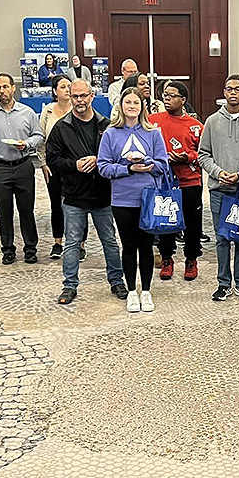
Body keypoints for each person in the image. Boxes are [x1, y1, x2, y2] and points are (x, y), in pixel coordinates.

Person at [47, 79, 126, 305]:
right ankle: (69, 286)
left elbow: (118, 157)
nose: (79, 101)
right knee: (72, 243)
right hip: (74, 196)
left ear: (92, 96)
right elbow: (52, 160)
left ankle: (117, 281)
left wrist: (98, 160)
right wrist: (75, 165)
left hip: (102, 195)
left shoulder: (106, 125)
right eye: (75, 96)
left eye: (83, 96)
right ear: (69, 97)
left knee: (110, 241)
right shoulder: (61, 128)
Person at [98, 88, 168, 314]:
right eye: (127, 102)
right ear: (121, 105)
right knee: (128, 246)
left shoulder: (153, 133)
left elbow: (163, 164)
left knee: (146, 245)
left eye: (136, 102)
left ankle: (146, 290)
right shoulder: (110, 134)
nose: (132, 106)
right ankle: (130, 291)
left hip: (148, 197)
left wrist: (147, 164)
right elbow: (103, 167)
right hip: (122, 198)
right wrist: (128, 168)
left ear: (142, 106)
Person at [198, 74, 239, 302]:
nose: (233, 93)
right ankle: (223, 284)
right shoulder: (212, 122)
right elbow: (203, 155)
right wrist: (218, 173)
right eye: (229, 89)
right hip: (219, 190)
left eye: (238, 89)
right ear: (224, 92)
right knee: (222, 239)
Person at [0, 73, 43, 265]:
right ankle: (8, 250)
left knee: (26, 210)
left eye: (5, 86)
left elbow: (39, 135)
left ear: (13, 88)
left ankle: (30, 248)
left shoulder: (27, 112)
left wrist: (28, 144)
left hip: (23, 165)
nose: (2, 91)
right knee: (4, 212)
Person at [148, 81, 204, 281]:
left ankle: (191, 259)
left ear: (183, 100)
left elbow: (205, 154)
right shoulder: (153, 121)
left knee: (192, 224)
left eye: (172, 95)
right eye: (165, 94)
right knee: (166, 221)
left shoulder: (196, 126)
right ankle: (166, 258)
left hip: (189, 181)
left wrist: (187, 157)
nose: (167, 98)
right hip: (163, 182)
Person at [38, 74, 72, 260]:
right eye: (63, 87)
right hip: (53, 164)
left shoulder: (78, 109)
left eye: (69, 86)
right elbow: (40, 138)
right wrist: (43, 163)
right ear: (54, 91)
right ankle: (58, 242)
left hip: (74, 164)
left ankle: (79, 245)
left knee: (76, 204)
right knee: (56, 204)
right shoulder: (48, 111)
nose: (67, 89)